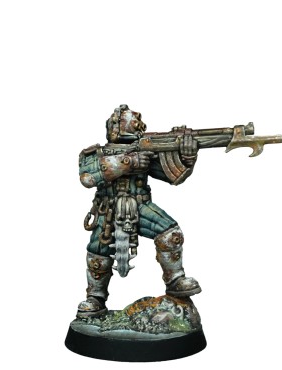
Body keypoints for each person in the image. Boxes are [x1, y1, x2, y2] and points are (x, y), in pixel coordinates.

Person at [77, 105, 201, 318]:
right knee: (98, 253)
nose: (139, 125)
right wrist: (127, 162)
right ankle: (95, 297)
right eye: (133, 121)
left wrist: (187, 157)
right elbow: (88, 177)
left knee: (171, 234)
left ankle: (175, 280)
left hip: (141, 206)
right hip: (108, 209)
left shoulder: (145, 150)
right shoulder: (95, 153)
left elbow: (172, 175)